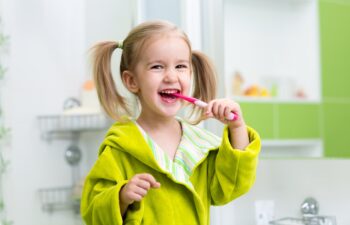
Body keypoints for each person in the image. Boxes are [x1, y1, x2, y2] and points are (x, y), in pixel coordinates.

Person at [80, 20, 261, 225]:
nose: (171, 76)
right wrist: (121, 197)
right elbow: (93, 212)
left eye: (181, 66)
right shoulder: (120, 148)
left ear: (190, 74)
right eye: (157, 66)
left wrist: (237, 127)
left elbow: (232, 186)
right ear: (132, 81)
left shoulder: (200, 146)